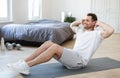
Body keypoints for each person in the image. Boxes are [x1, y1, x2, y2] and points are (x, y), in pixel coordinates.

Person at [1, 13, 114, 76]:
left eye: (87, 21)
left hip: (79, 61)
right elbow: (71, 25)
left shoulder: (98, 34)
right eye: (84, 20)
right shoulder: (80, 31)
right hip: (73, 56)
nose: (84, 22)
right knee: (48, 43)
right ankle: (23, 62)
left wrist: (98, 23)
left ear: (94, 23)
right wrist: (82, 21)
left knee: (54, 47)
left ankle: (26, 66)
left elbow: (111, 30)